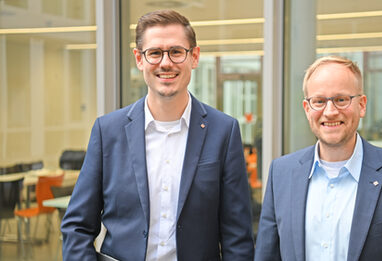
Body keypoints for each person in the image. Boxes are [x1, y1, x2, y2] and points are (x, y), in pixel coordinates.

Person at [61, 10, 254, 261]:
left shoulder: (223, 132)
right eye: (154, 53)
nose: (165, 63)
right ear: (139, 59)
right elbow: (76, 227)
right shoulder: (108, 131)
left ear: (194, 57)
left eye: (176, 51)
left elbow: (237, 237)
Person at [254, 56, 382, 261]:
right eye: (319, 101)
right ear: (307, 109)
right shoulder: (282, 173)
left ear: (362, 105)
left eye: (341, 99)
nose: (330, 112)